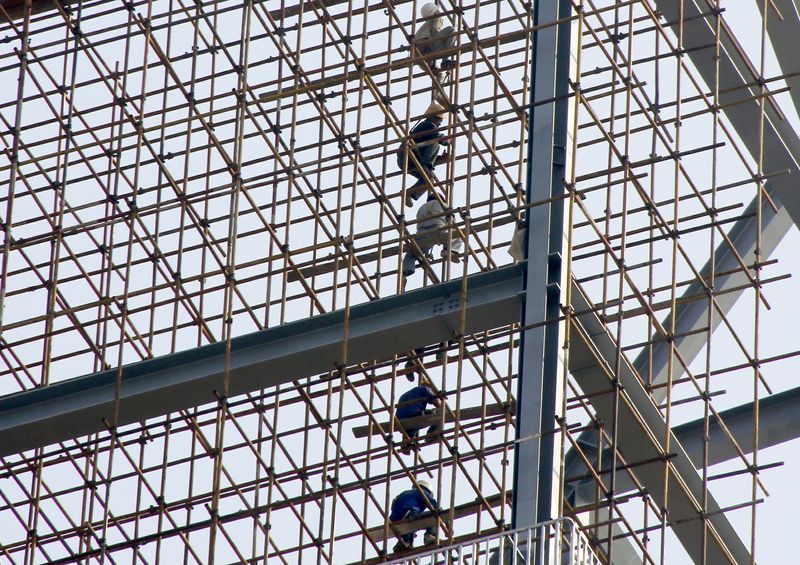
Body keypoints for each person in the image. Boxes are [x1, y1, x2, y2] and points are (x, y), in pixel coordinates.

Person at [397, 102, 450, 206]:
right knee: (435, 144)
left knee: (429, 178)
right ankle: (425, 166)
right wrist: (449, 140)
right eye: (439, 119)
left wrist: (439, 159)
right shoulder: (427, 125)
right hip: (408, 156)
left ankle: (410, 194)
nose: (440, 123)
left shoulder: (429, 128)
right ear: (432, 117)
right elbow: (440, 139)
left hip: (410, 160)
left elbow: (424, 153)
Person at [402, 192, 462, 279]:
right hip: (438, 231)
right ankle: (449, 250)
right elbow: (451, 222)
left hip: (422, 235)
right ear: (441, 199)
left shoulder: (421, 208)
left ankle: (405, 271)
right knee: (458, 233)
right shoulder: (444, 205)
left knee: (412, 253)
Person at [389, 479, 440, 552]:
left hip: (393, 520)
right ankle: (429, 536)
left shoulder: (403, 494)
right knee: (433, 517)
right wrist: (443, 517)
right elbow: (434, 504)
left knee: (410, 528)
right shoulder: (421, 492)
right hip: (408, 515)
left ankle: (403, 543)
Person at [414, 3, 457, 76]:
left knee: (439, 75)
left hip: (421, 56)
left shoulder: (425, 27)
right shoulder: (437, 18)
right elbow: (436, 35)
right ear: (435, 12)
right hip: (427, 47)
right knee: (451, 30)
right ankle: (445, 61)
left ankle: (435, 70)